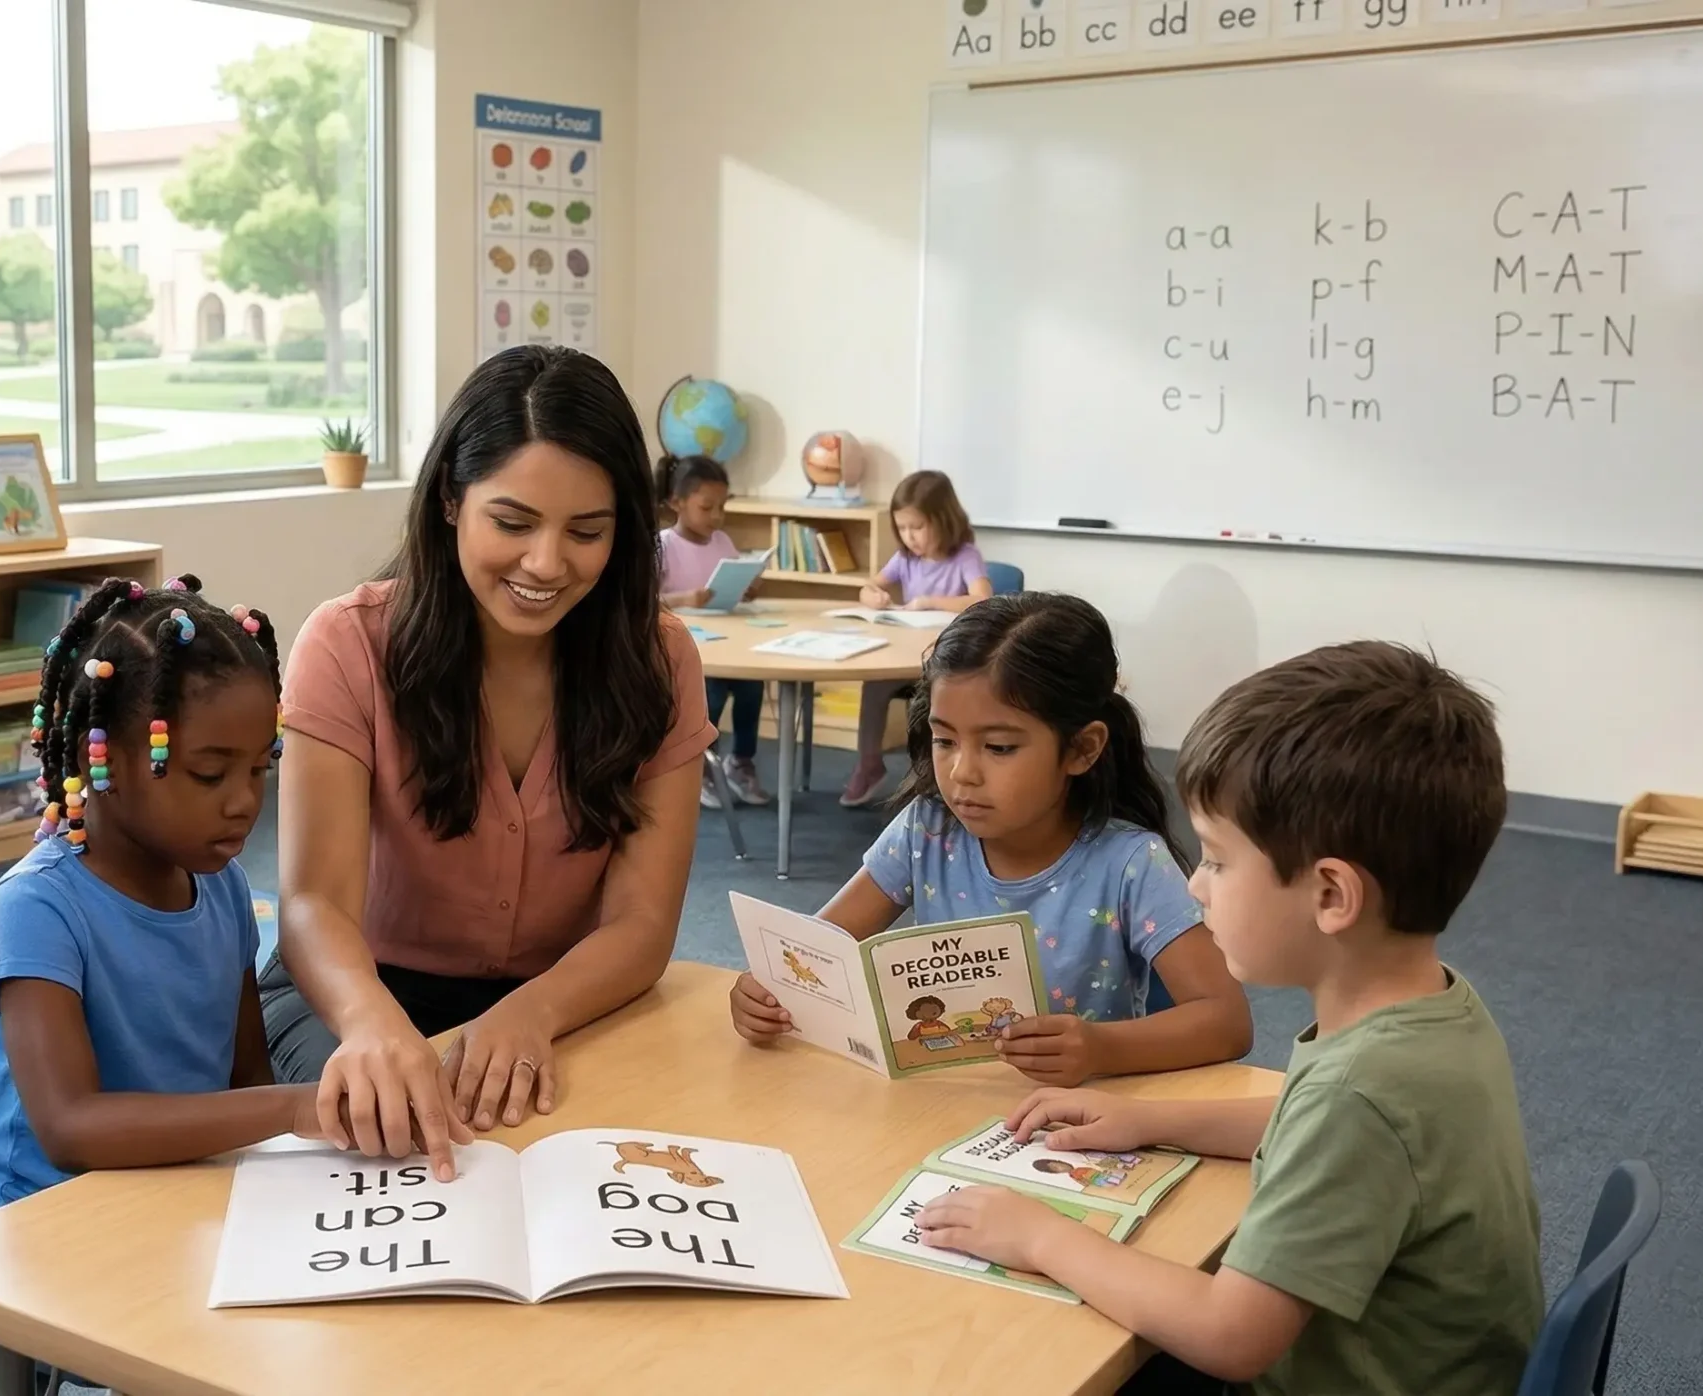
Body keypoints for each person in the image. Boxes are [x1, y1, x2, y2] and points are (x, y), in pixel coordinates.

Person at [916, 641, 1540, 1396]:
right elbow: (1302, 1115)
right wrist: (1149, 1121)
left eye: (1215, 860)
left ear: (1332, 897)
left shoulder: (1358, 1096)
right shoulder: (1431, 1008)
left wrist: (1040, 1235)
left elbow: (1232, 1335)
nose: (1198, 889)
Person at [266, 345, 714, 1180]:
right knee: (391, 1149)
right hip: (356, 988)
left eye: (587, 531)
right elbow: (311, 904)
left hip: (568, 995)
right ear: (449, 500)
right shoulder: (348, 641)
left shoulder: (659, 659)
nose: (547, 564)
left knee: (612, 1164)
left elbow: (642, 925)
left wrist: (533, 1012)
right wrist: (371, 1022)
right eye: (512, 524)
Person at [731, 592, 1253, 1084]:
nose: (961, 773)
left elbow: (1227, 1021)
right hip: (940, 1101)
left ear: (1082, 749)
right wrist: (768, 990)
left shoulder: (1132, 863)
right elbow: (819, 948)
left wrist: (1101, 1049)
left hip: (1075, 1119)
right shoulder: (926, 831)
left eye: (999, 747)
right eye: (944, 740)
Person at [0, 574, 315, 1214]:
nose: (244, 804)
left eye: (259, 769)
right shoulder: (35, 910)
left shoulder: (222, 884)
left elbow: (246, 1080)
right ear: (98, 760)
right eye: (209, 774)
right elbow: (70, 1128)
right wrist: (297, 1107)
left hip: (189, 1192)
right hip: (52, 1221)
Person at [843, 469, 991, 808]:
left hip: (947, 664)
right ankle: (869, 763)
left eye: (918, 527)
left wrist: (930, 602)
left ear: (944, 519)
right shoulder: (906, 559)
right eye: (903, 529)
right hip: (904, 657)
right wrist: (872, 597)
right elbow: (870, 586)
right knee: (873, 685)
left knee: (935, 700)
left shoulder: (965, 556)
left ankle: (931, 776)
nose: (910, 537)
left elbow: (982, 598)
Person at [654, 451, 768, 808]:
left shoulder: (722, 542)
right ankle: (702, 767)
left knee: (752, 690)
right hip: (686, 649)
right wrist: (685, 597)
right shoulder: (662, 545)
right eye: (707, 507)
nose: (717, 517)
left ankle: (740, 762)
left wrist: (748, 585)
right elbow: (645, 601)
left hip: (727, 643)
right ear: (677, 502)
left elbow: (730, 582)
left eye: (722, 507)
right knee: (711, 696)